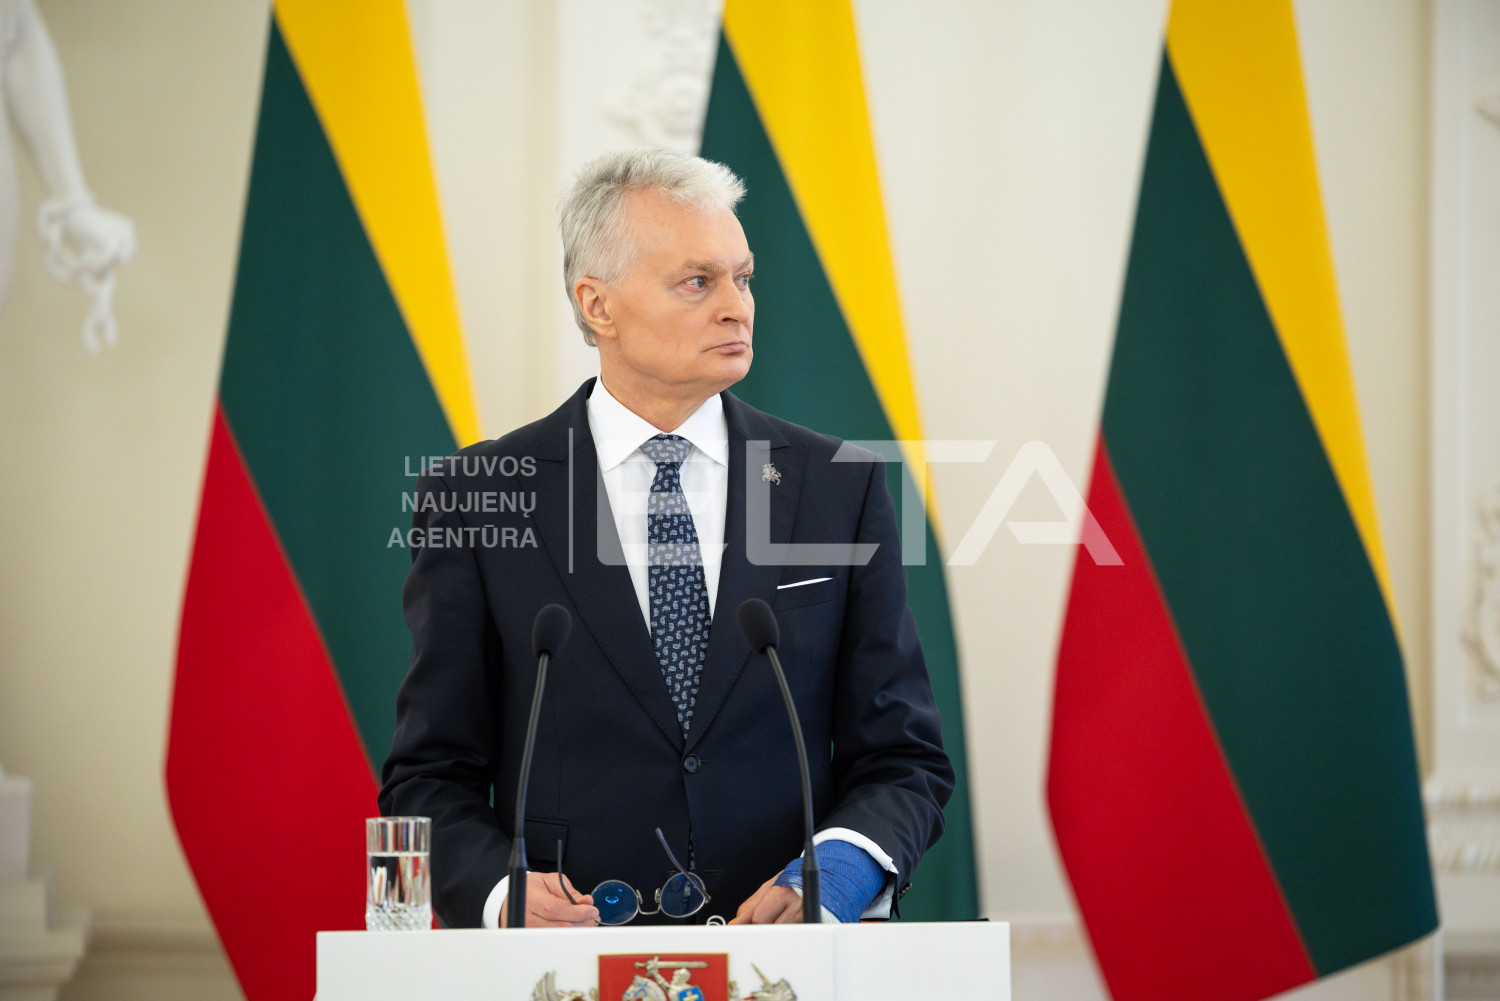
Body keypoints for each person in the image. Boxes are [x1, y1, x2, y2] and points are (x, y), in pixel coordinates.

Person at [378, 148, 952, 928]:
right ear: (598, 305)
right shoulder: (480, 496)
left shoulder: (838, 487)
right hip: (565, 965)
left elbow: (903, 757)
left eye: (743, 277)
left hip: (789, 962)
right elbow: (428, 776)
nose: (737, 307)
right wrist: (500, 893)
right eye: (698, 282)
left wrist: (839, 877)